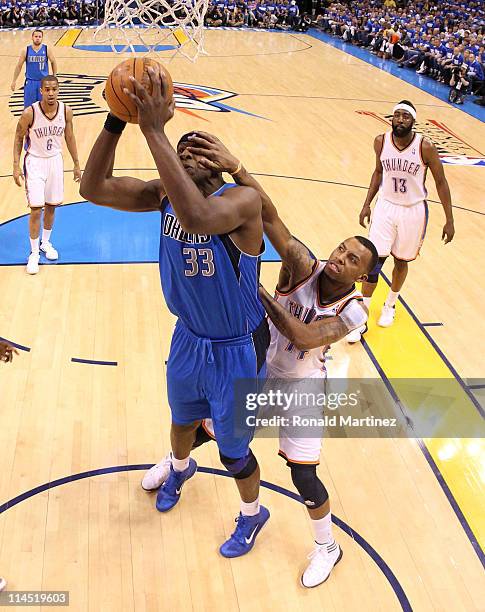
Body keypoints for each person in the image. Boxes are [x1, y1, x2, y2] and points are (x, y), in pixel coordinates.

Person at [142, 132, 378, 588]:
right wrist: (237, 168)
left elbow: (306, 335)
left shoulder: (354, 311)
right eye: (342, 249)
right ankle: (179, 464)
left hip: (303, 389)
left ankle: (327, 546)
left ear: (361, 277)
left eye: (351, 261)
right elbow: (268, 216)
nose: (339, 258)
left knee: (303, 478)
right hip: (263, 369)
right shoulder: (301, 264)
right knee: (209, 428)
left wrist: (255, 294)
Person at [80, 66, 271, 558]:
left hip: (237, 348)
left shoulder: (241, 202)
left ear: (218, 164)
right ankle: (181, 467)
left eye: (196, 151)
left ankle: (252, 516)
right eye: (179, 152)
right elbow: (92, 187)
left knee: (233, 451)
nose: (184, 157)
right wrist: (116, 118)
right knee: (182, 421)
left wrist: (156, 130)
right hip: (188, 338)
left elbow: (200, 219)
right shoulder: (166, 195)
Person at [352, 100, 454, 342]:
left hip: (413, 211)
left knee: (401, 260)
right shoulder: (381, 141)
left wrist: (449, 219)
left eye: (405, 116)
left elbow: (441, 181)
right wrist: (367, 203)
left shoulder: (425, 147)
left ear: (413, 121)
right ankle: (362, 315)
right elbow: (378, 172)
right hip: (386, 207)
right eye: (396, 115)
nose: (399, 120)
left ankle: (390, 304)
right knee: (373, 261)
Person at [13, 75, 81, 275]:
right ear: (41, 91)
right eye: (47, 90)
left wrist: (77, 163)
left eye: (54, 89)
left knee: (52, 206)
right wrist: (16, 165)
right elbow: (18, 138)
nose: (51, 93)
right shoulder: (30, 113)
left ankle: (46, 243)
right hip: (34, 161)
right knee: (36, 209)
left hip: (55, 161)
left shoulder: (66, 111)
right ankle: (33, 253)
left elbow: (69, 136)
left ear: (58, 90)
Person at [11, 30, 57, 109]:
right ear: (32, 37)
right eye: (36, 36)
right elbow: (19, 66)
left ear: (42, 38)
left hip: (43, 82)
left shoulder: (46, 49)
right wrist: (14, 81)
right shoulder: (26, 50)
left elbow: (53, 62)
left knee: (45, 107)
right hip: (30, 82)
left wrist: (54, 76)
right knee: (29, 108)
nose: (37, 38)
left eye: (39, 37)